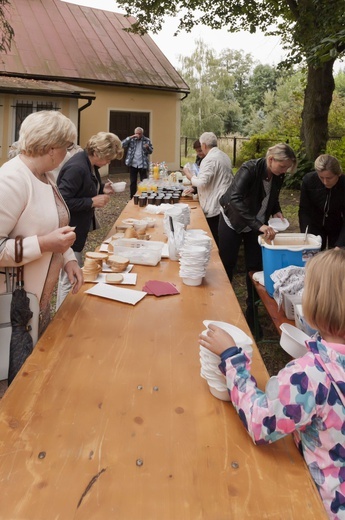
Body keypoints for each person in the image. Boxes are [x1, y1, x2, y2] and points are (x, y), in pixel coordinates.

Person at [199, 248, 345, 519]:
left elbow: (260, 422)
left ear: (313, 303)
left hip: (326, 503)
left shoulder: (309, 376)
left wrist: (232, 359)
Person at [0, 110, 83, 336]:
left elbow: (53, 226)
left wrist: (68, 259)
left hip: (36, 302)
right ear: (51, 149)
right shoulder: (11, 179)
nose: (69, 152)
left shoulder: (45, 176)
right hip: (12, 308)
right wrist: (44, 244)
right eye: (67, 146)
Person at [218, 143, 297, 334]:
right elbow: (234, 199)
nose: (284, 171)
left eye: (287, 168)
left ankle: (251, 313)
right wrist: (258, 225)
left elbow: (272, 195)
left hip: (256, 223)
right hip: (233, 220)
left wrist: (276, 211)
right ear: (271, 159)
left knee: (254, 268)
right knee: (227, 264)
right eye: (282, 166)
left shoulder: (278, 174)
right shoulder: (250, 169)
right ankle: (222, 309)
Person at [56, 132, 124, 309]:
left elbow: (83, 188)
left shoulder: (89, 163)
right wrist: (92, 201)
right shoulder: (77, 167)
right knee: (69, 277)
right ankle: (62, 320)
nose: (109, 163)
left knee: (73, 272)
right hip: (69, 229)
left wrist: (101, 189)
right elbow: (61, 201)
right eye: (109, 159)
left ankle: (67, 312)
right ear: (100, 153)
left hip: (78, 229)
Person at [184, 132, 233, 245]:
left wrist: (189, 175)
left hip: (215, 203)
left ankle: (216, 257)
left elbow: (201, 183)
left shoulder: (209, 159)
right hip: (224, 200)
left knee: (213, 235)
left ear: (204, 145)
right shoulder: (223, 155)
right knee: (219, 234)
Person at [299, 154, 345, 250]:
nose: (325, 182)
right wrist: (306, 234)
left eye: (329, 178)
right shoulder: (309, 180)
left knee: (337, 258)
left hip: (337, 224)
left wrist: (340, 244)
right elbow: (304, 210)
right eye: (321, 177)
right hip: (315, 223)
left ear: (338, 174)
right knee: (314, 257)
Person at [121, 127, 153, 198]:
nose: (138, 135)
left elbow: (151, 151)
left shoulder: (147, 140)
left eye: (139, 134)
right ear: (134, 133)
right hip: (133, 164)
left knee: (144, 182)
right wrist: (131, 137)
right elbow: (122, 144)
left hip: (143, 164)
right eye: (136, 133)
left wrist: (148, 147)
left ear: (142, 134)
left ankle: (144, 196)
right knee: (133, 182)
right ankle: (132, 197)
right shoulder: (131, 140)